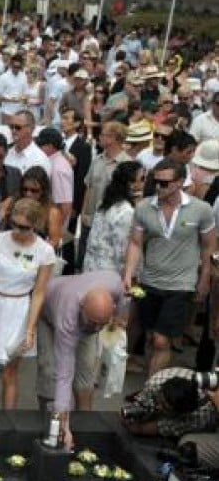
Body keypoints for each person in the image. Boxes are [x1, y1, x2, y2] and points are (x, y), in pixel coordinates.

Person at [123, 157, 214, 377]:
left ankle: (151, 392)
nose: (158, 187)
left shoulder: (201, 209)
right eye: (156, 181)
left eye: (164, 183)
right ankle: (151, 385)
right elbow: (135, 243)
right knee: (150, 337)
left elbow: (208, 248)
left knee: (161, 340)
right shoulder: (144, 207)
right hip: (149, 281)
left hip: (181, 285)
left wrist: (204, 279)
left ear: (180, 182)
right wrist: (128, 273)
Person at [0, 198, 56, 409]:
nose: (17, 230)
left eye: (24, 227)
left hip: (19, 310)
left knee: (10, 373)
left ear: (35, 226)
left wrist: (30, 328)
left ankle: (7, 428)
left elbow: (38, 293)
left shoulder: (45, 251)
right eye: (13, 224)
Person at [37, 270, 126, 449]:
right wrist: (64, 423)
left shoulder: (115, 284)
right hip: (48, 313)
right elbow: (65, 372)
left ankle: (85, 428)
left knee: (86, 377)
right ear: (82, 305)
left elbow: (125, 300)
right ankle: (54, 428)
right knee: (51, 374)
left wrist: (119, 319)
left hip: (89, 314)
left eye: (102, 323)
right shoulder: (67, 315)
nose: (98, 328)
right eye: (94, 323)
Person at [120, 368, 219, 452]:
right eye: (160, 402)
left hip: (201, 416)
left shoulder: (198, 418)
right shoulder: (158, 381)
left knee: (185, 442)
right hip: (166, 392)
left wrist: (136, 428)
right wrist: (135, 410)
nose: (159, 407)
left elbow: (147, 428)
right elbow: (142, 400)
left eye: (165, 407)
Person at [84, 161, 145, 274]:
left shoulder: (103, 203)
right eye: (142, 178)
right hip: (110, 276)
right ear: (131, 184)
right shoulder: (127, 213)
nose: (144, 183)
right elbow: (123, 252)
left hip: (91, 269)